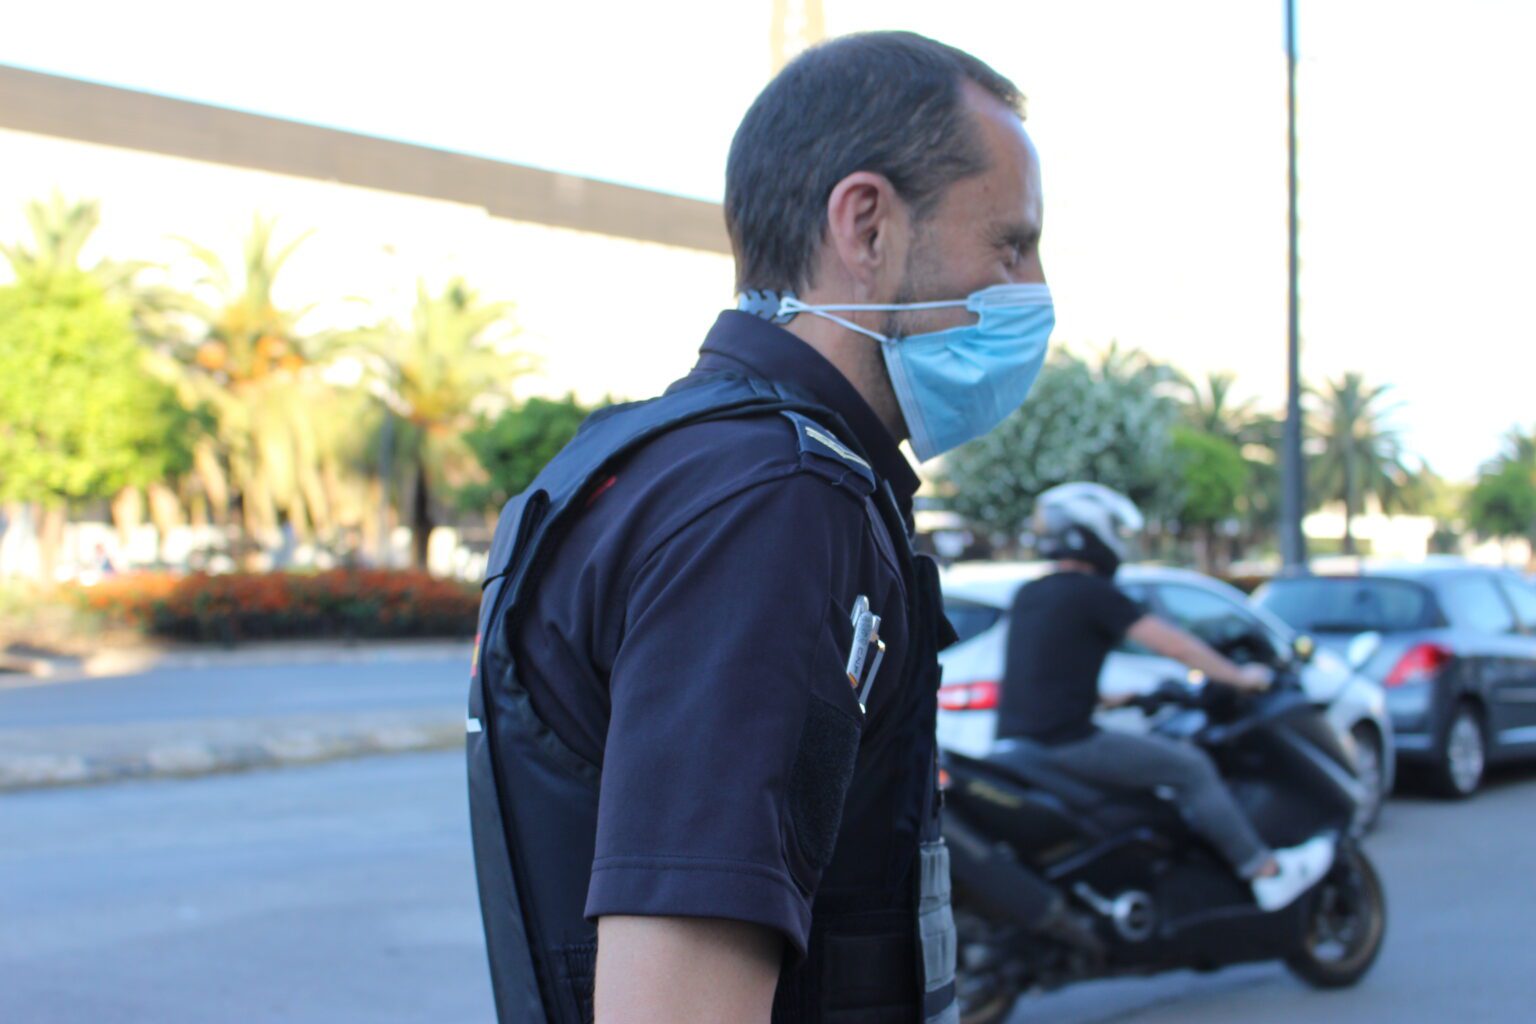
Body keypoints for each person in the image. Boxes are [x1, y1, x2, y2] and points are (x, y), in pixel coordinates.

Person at [467, 32, 1054, 1024]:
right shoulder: (774, 505)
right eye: (1011, 244)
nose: (1033, 287)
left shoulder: (691, 465)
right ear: (865, 226)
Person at [995, 482, 1334, 912]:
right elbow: (1174, 645)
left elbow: (1049, 666)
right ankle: (1263, 871)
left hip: (1019, 743)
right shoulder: (1093, 593)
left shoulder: (1031, 593)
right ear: (1094, 531)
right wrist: (1239, 676)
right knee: (1191, 768)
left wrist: (1111, 698)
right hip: (1067, 743)